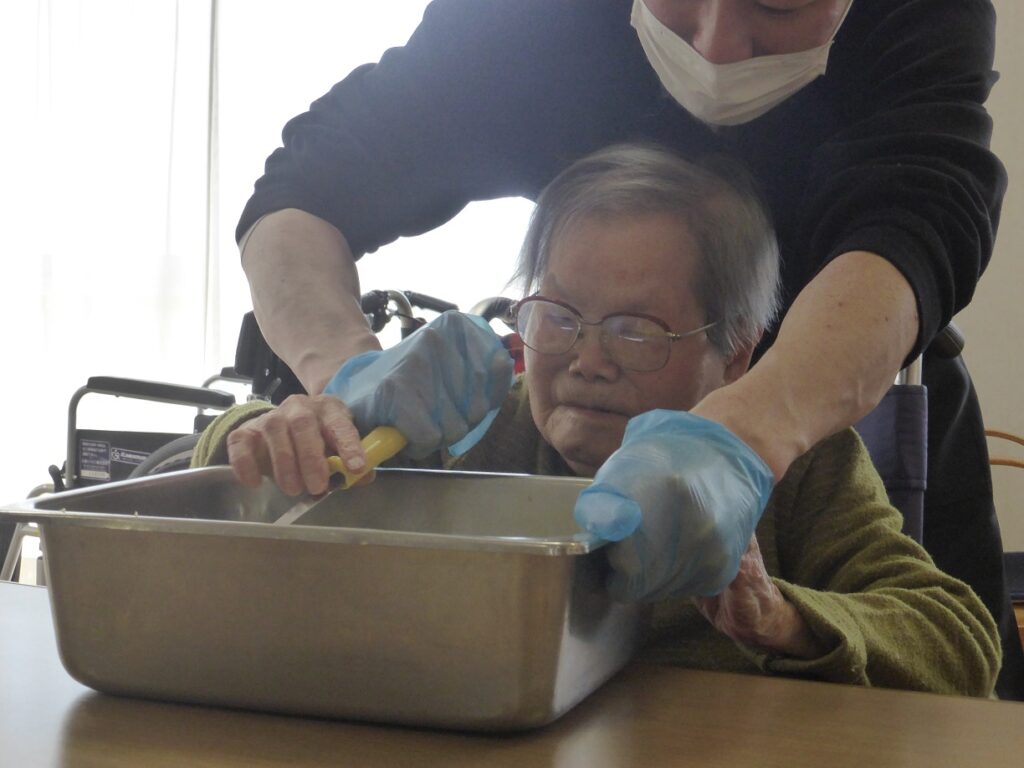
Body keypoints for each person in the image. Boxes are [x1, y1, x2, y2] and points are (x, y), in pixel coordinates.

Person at [235, 0, 1022, 696]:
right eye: (562, 318)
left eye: (779, 5)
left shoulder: (814, 480)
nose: (716, 45)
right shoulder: (485, 434)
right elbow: (304, 190)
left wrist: (749, 454)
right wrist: (338, 389)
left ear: (736, 347)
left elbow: (925, 215)